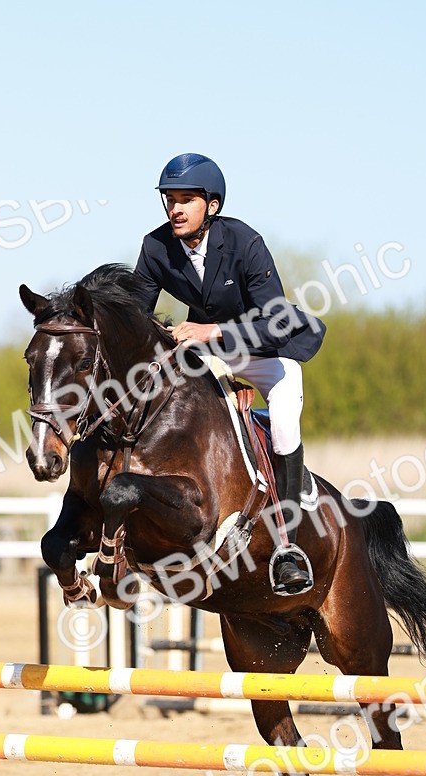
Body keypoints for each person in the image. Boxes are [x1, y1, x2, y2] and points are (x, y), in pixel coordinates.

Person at [134, 152, 326, 596]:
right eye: (170, 199)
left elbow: (276, 321)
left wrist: (213, 330)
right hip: (208, 353)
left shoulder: (244, 242)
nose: (175, 209)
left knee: (284, 424)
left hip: (267, 350)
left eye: (186, 199)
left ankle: (288, 546)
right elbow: (138, 319)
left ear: (213, 205)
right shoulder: (156, 246)